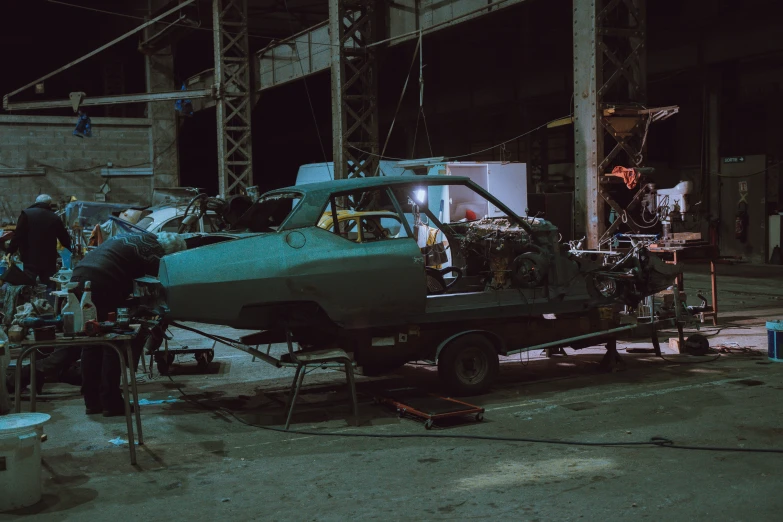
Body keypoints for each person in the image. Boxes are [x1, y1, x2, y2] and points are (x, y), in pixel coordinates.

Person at [71, 232, 186, 416]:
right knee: (112, 342)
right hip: (104, 281)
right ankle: (111, 402)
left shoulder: (141, 237)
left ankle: (92, 402)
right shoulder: (157, 254)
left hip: (80, 276)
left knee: (92, 340)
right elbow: (154, 289)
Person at [7, 194, 72, 288]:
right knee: (49, 284)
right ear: (49, 204)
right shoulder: (54, 217)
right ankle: (49, 301)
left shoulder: (26, 214)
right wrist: (69, 250)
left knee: (28, 284)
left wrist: (10, 251)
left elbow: (18, 235)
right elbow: (64, 237)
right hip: (48, 258)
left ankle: (29, 301)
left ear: (36, 202)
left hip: (29, 256)